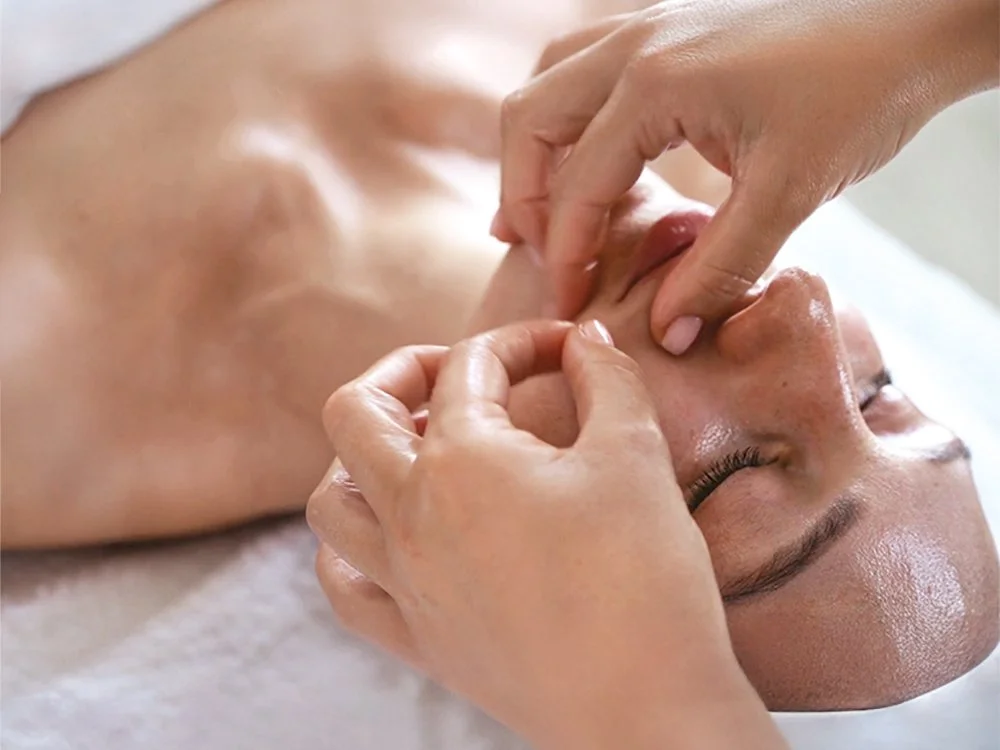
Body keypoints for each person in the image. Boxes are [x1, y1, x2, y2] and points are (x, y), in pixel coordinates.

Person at [0, 0, 995, 731]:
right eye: (878, 394)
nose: (802, 309)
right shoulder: (699, 83)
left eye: (736, 475)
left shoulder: (34, 421)